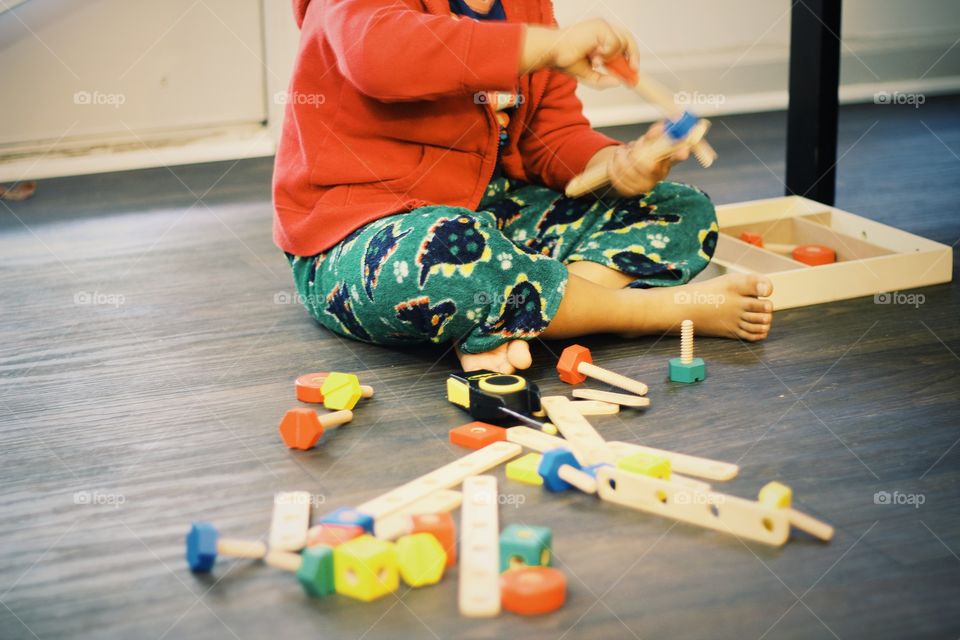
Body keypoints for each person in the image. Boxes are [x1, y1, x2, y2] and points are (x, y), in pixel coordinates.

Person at [273, 0, 773, 374]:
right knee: (445, 250)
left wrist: (618, 164)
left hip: (490, 214)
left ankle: (519, 316)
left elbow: (550, 136)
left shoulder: (526, 3)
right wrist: (548, 47)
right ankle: (634, 312)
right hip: (355, 237)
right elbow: (379, 55)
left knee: (681, 209)